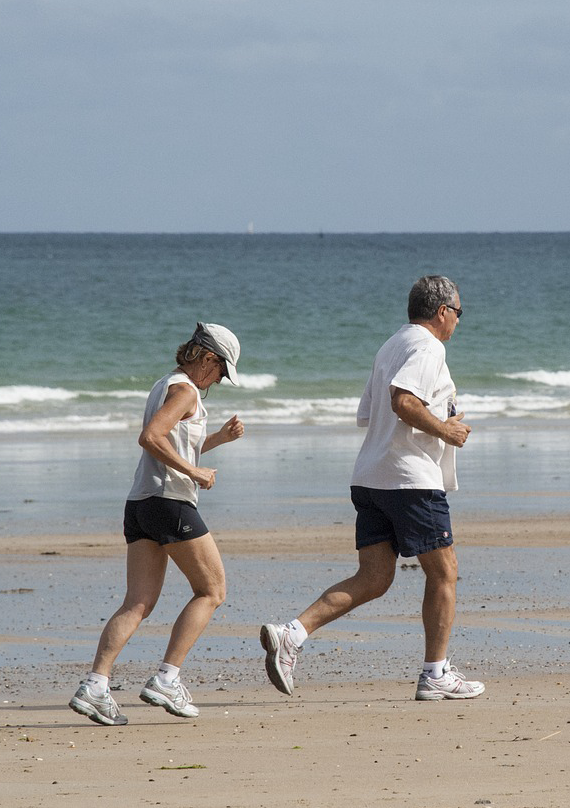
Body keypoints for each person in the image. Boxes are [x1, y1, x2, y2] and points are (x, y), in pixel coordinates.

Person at [260, 275, 484, 701]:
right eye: (459, 313)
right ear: (442, 312)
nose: (458, 322)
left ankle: (292, 634)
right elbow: (403, 402)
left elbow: (369, 413)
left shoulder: (392, 344)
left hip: (370, 476)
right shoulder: (428, 345)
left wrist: (439, 414)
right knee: (445, 571)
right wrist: (445, 429)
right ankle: (435, 674)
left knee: (376, 576)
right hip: (409, 478)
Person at [68, 322, 245, 726]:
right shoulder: (186, 390)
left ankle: (96, 685)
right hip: (171, 503)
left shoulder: (166, 384)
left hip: (141, 504)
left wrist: (217, 438)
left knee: (137, 603)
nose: (218, 380)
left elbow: (174, 440)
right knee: (212, 590)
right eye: (221, 371)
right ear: (208, 358)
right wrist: (196, 473)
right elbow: (150, 437)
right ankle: (167, 678)